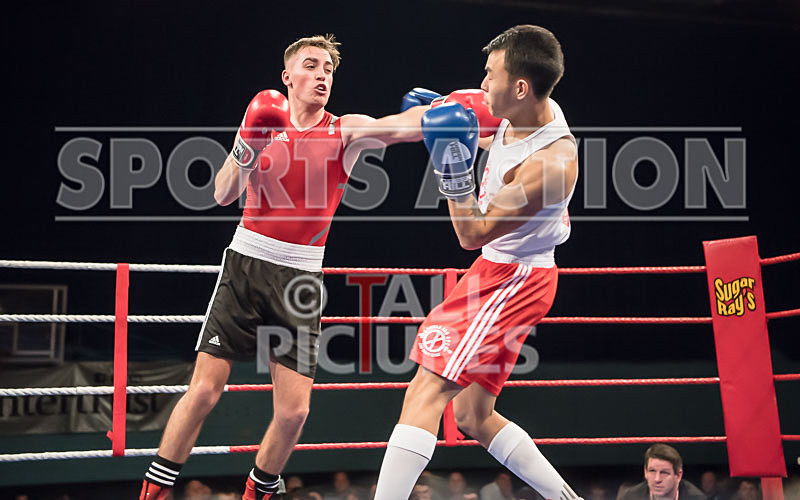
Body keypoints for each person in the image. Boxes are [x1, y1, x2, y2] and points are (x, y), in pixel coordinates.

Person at [138, 33, 430, 500]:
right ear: (287, 76)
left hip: (300, 277)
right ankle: (151, 494)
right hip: (246, 263)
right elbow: (221, 194)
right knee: (205, 391)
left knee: (294, 413)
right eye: (311, 66)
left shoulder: (344, 129)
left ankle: (258, 489)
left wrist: (437, 112)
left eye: (328, 70)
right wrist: (247, 144)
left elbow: (399, 128)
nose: (321, 76)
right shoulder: (260, 120)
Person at [373, 25, 581, 500]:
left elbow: (471, 232)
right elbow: (429, 123)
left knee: (425, 390)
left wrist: (450, 159)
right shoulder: (517, 108)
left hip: (512, 277)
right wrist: (341, 135)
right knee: (473, 415)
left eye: (491, 76)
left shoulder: (553, 165)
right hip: (504, 271)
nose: (483, 84)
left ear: (521, 87)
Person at [616, 444, 705, 500]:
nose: (657, 479)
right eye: (652, 471)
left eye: (664, 473)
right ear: (645, 472)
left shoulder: (695, 498)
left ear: (678, 475)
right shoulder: (630, 497)